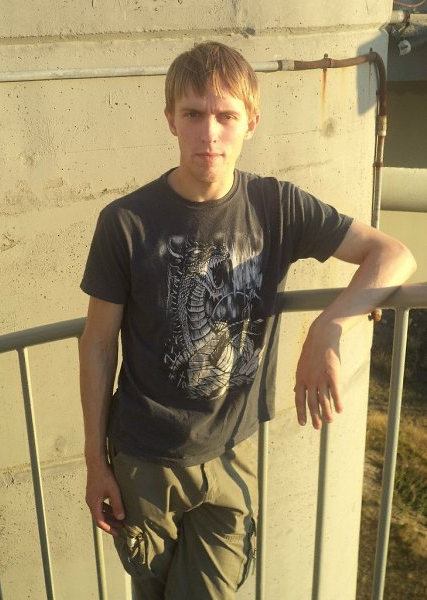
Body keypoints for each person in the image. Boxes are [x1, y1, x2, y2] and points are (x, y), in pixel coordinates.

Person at [79, 41, 416, 599]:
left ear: (251, 123)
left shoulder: (275, 206)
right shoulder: (125, 222)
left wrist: (329, 327)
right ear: (171, 120)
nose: (209, 133)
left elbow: (393, 254)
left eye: (226, 116)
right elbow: (97, 344)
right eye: (193, 114)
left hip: (233, 453)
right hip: (144, 457)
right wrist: (96, 463)